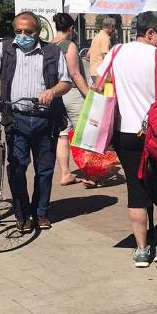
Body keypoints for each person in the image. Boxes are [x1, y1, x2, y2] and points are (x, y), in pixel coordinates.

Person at [0, 12, 72, 232]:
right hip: (15, 118)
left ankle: (40, 212)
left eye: (28, 32)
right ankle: (22, 214)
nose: (22, 35)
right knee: (17, 167)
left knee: (45, 169)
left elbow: (65, 82)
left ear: (37, 32)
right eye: (18, 31)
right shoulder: (5, 48)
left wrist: (52, 91)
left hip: (45, 118)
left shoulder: (52, 51)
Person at [99, 11, 157, 267]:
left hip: (125, 132)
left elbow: (99, 83)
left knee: (136, 190)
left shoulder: (116, 52)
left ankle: (141, 249)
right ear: (150, 33)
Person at [51, 12, 94, 187]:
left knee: (62, 135)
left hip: (56, 94)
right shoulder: (69, 46)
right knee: (83, 134)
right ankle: (91, 174)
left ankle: (66, 173)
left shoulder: (49, 45)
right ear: (71, 29)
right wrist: (89, 96)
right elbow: (75, 73)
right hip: (72, 94)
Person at [88, 16, 116, 82]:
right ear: (111, 27)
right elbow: (105, 56)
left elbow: (88, 55)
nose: (114, 30)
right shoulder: (105, 38)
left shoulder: (96, 37)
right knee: (106, 92)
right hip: (101, 74)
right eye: (114, 27)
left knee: (94, 92)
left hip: (93, 72)